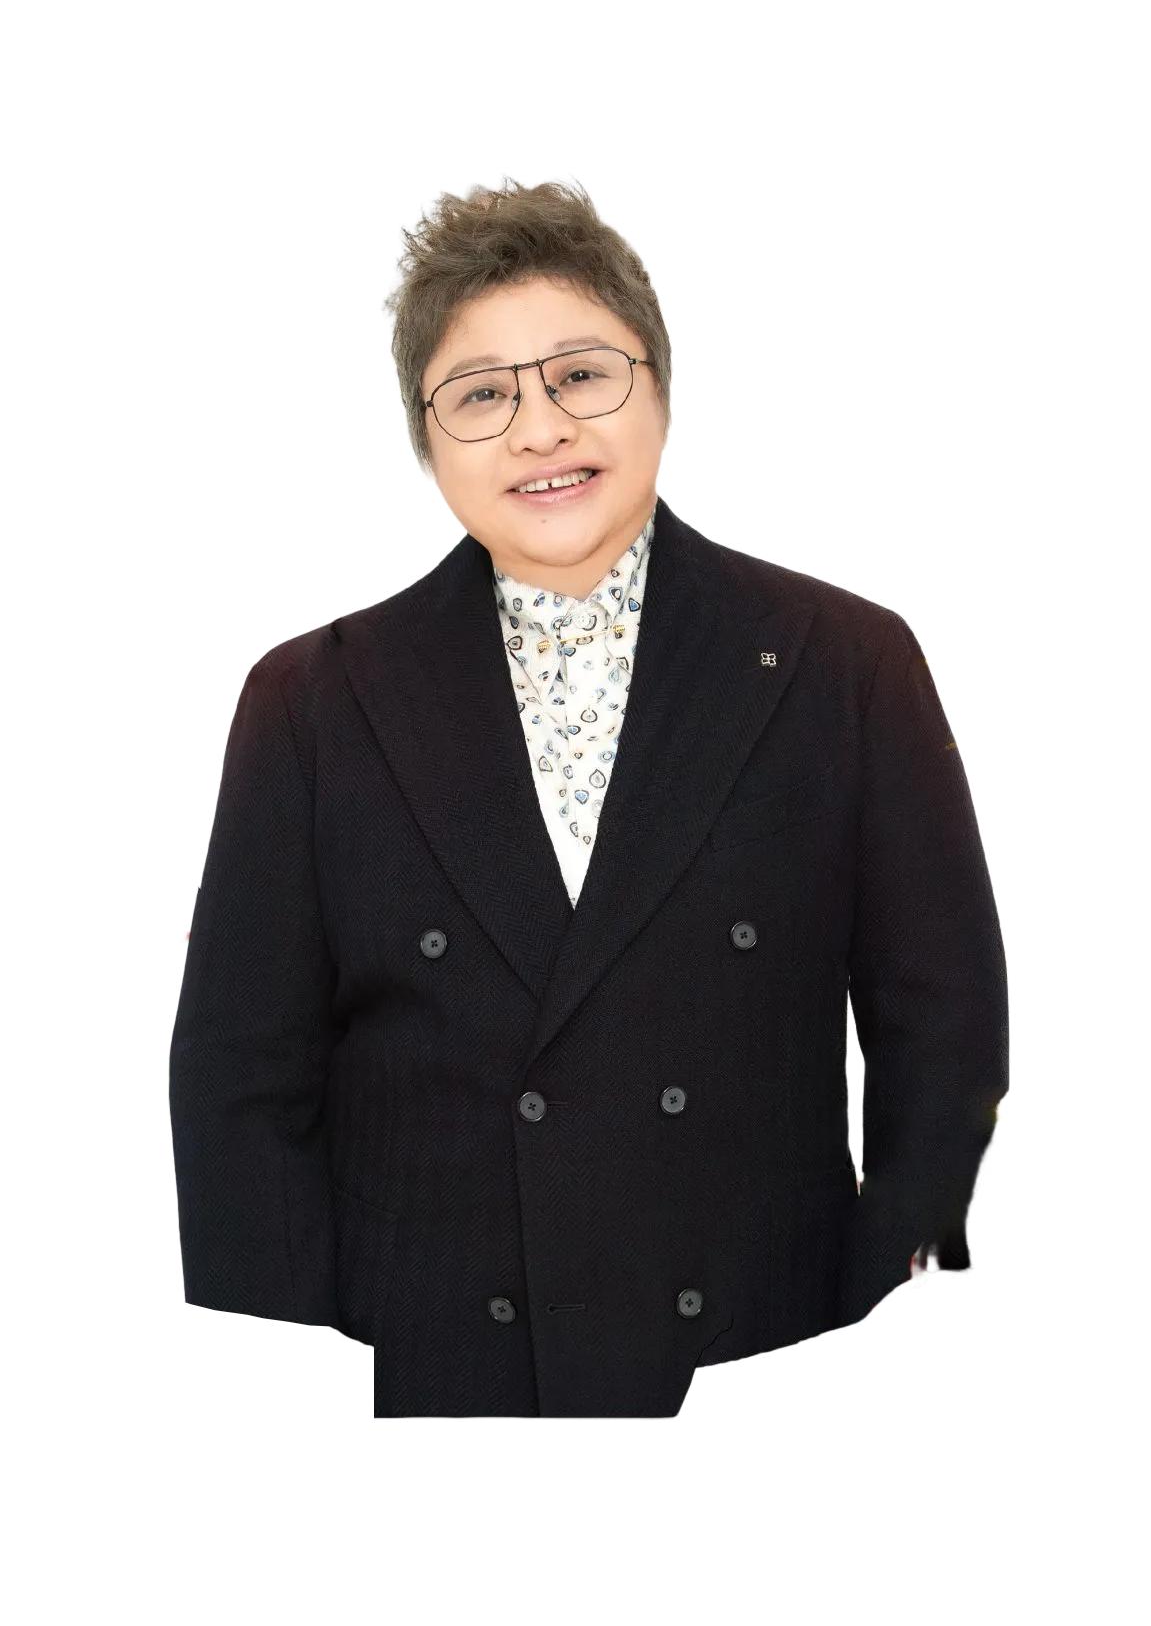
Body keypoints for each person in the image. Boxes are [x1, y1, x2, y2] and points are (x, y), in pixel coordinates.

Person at [169, 178, 1009, 1417]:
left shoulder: (840, 662)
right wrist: (276, 1395)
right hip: (432, 1380)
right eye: (481, 394)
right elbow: (239, 1080)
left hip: (766, 1370)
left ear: (657, 387)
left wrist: (886, 1333)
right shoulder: (311, 698)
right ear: (427, 438)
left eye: (579, 375)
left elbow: (942, 1033)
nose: (539, 427)